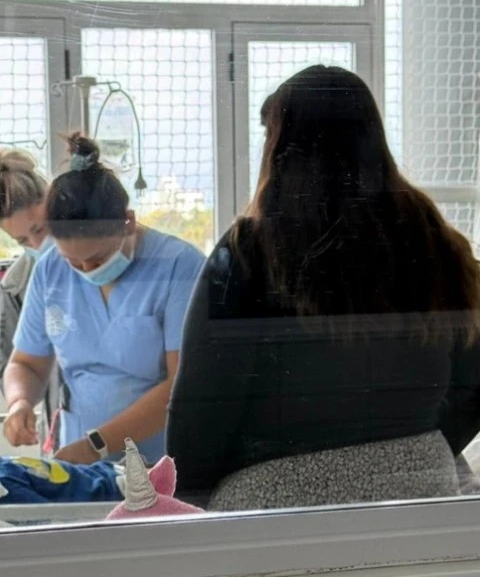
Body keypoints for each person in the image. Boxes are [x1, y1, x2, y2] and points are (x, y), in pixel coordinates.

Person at [167, 65, 480, 508]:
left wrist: (192, 499)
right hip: (419, 493)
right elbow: (472, 378)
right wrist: (411, 447)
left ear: (281, 148)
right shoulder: (434, 241)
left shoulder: (249, 250)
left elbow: (201, 411)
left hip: (277, 502)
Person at [3, 133, 205, 466]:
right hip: (79, 456)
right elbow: (26, 363)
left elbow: (181, 385)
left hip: (159, 461)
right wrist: (19, 402)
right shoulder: (50, 270)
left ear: (128, 222)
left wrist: (97, 443)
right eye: (73, 261)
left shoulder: (179, 266)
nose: (86, 271)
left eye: (97, 258)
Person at [0, 148, 61, 454]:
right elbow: (17, 366)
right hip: (61, 438)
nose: (38, 245)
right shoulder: (15, 287)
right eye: (23, 241)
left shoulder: (99, 263)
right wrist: (18, 403)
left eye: (41, 229)